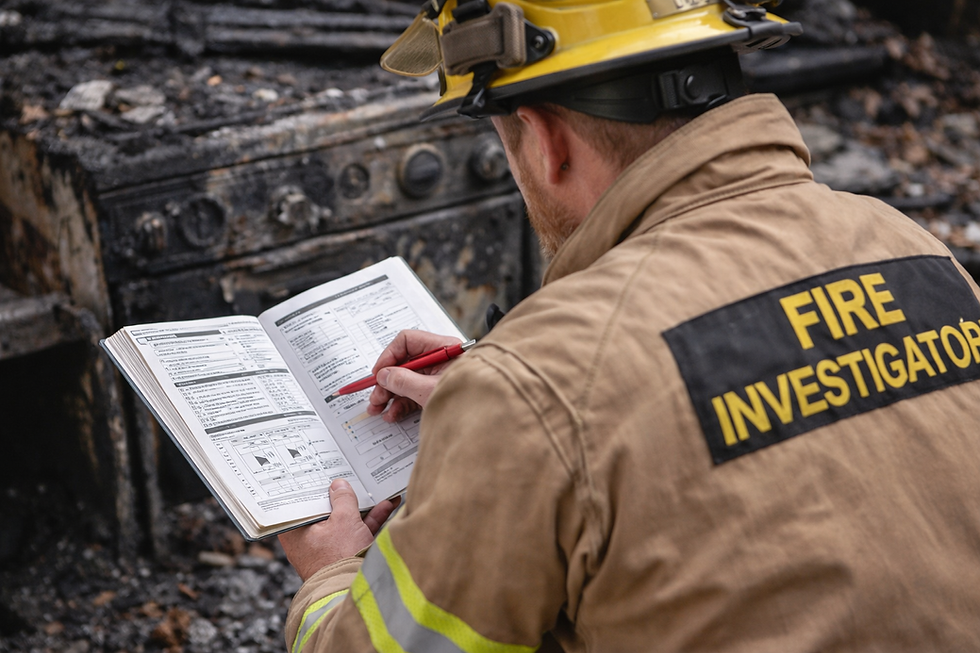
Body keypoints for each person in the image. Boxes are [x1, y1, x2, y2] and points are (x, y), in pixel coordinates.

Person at [279, 0, 980, 651]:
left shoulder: (544, 376)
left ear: (544, 139)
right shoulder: (912, 248)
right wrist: (516, 411)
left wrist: (331, 577)